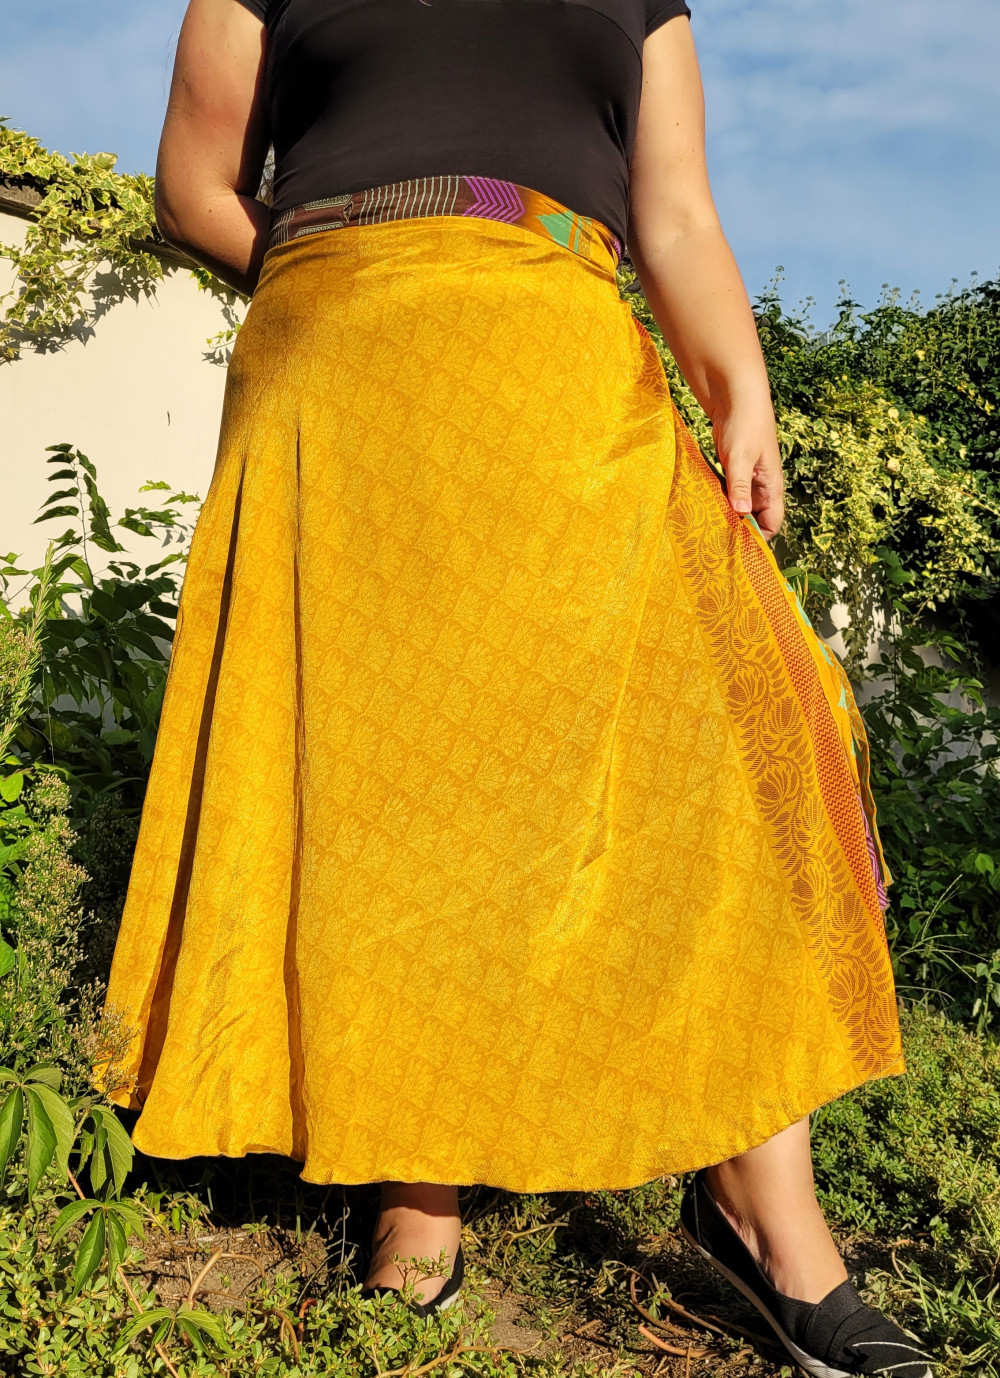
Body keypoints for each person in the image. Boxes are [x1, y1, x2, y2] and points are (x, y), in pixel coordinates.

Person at [96, 2, 935, 1374]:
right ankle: (413, 1190)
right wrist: (353, 269)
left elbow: (676, 216)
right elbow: (194, 186)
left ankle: (765, 1207)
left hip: (564, 358)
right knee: (391, 771)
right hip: (348, 374)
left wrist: (742, 387)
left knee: (728, 735)